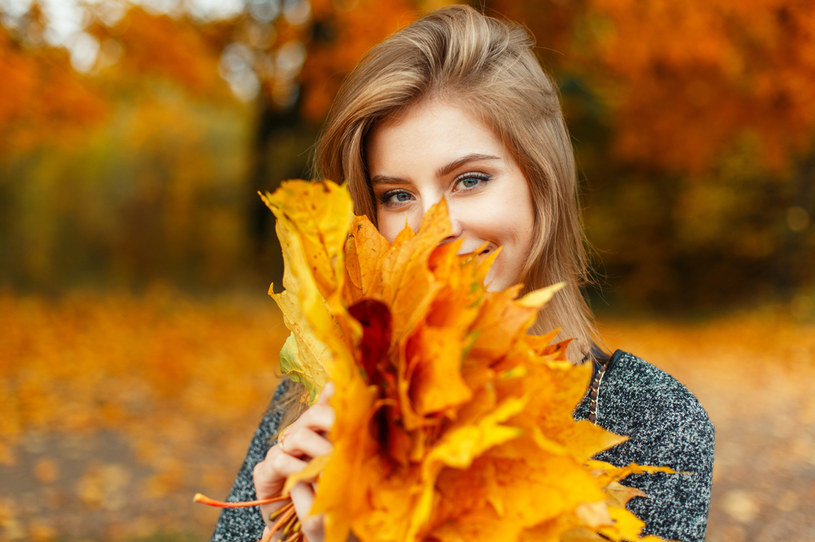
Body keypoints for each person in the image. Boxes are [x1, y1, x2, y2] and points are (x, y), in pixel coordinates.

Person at [210, 5, 714, 542]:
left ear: (541, 186)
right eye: (397, 195)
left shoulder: (652, 421)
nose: (435, 227)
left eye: (470, 180)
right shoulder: (313, 406)